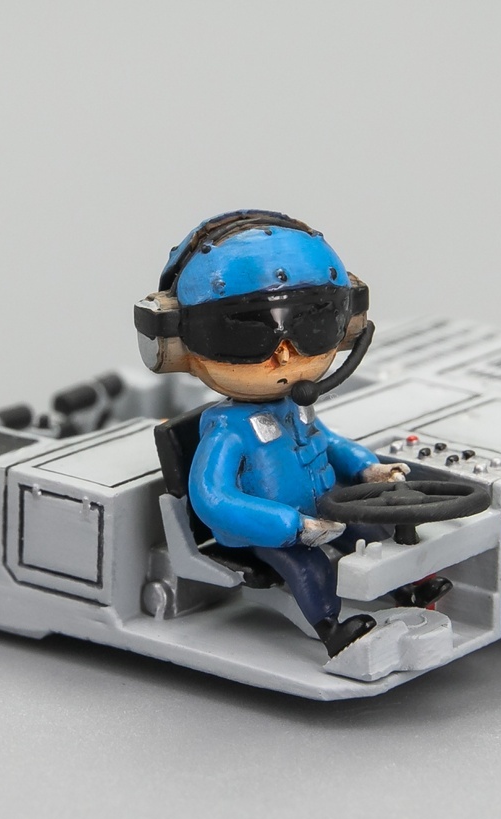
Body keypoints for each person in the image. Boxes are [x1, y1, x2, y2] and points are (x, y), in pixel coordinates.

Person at [133, 211, 450, 661]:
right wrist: (290, 527)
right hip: (271, 533)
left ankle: (408, 589)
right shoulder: (227, 430)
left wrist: (367, 467)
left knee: (374, 532)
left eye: (314, 327)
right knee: (307, 566)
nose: (284, 357)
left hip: (325, 508)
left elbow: (329, 442)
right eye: (245, 335)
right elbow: (212, 498)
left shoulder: (295, 407)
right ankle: (332, 630)